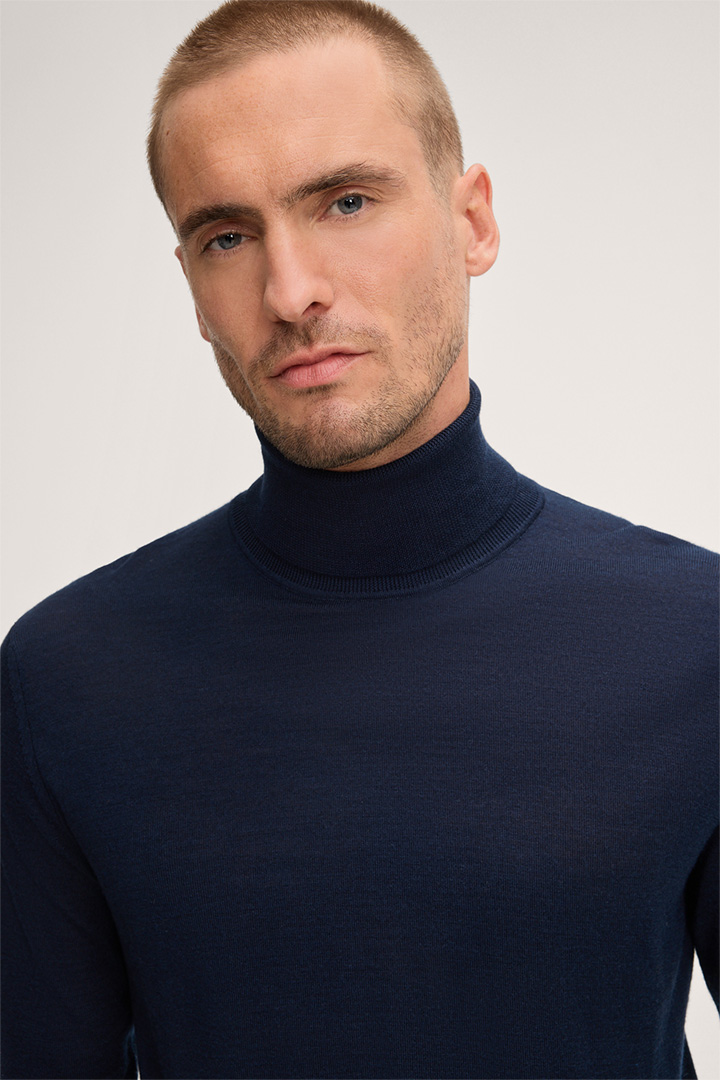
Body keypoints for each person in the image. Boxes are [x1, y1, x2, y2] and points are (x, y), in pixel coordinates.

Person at [2, 1, 717, 1077]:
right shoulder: (65, 681)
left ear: (473, 222)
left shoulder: (693, 641)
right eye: (227, 236)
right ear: (192, 287)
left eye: (345, 201)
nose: (291, 292)